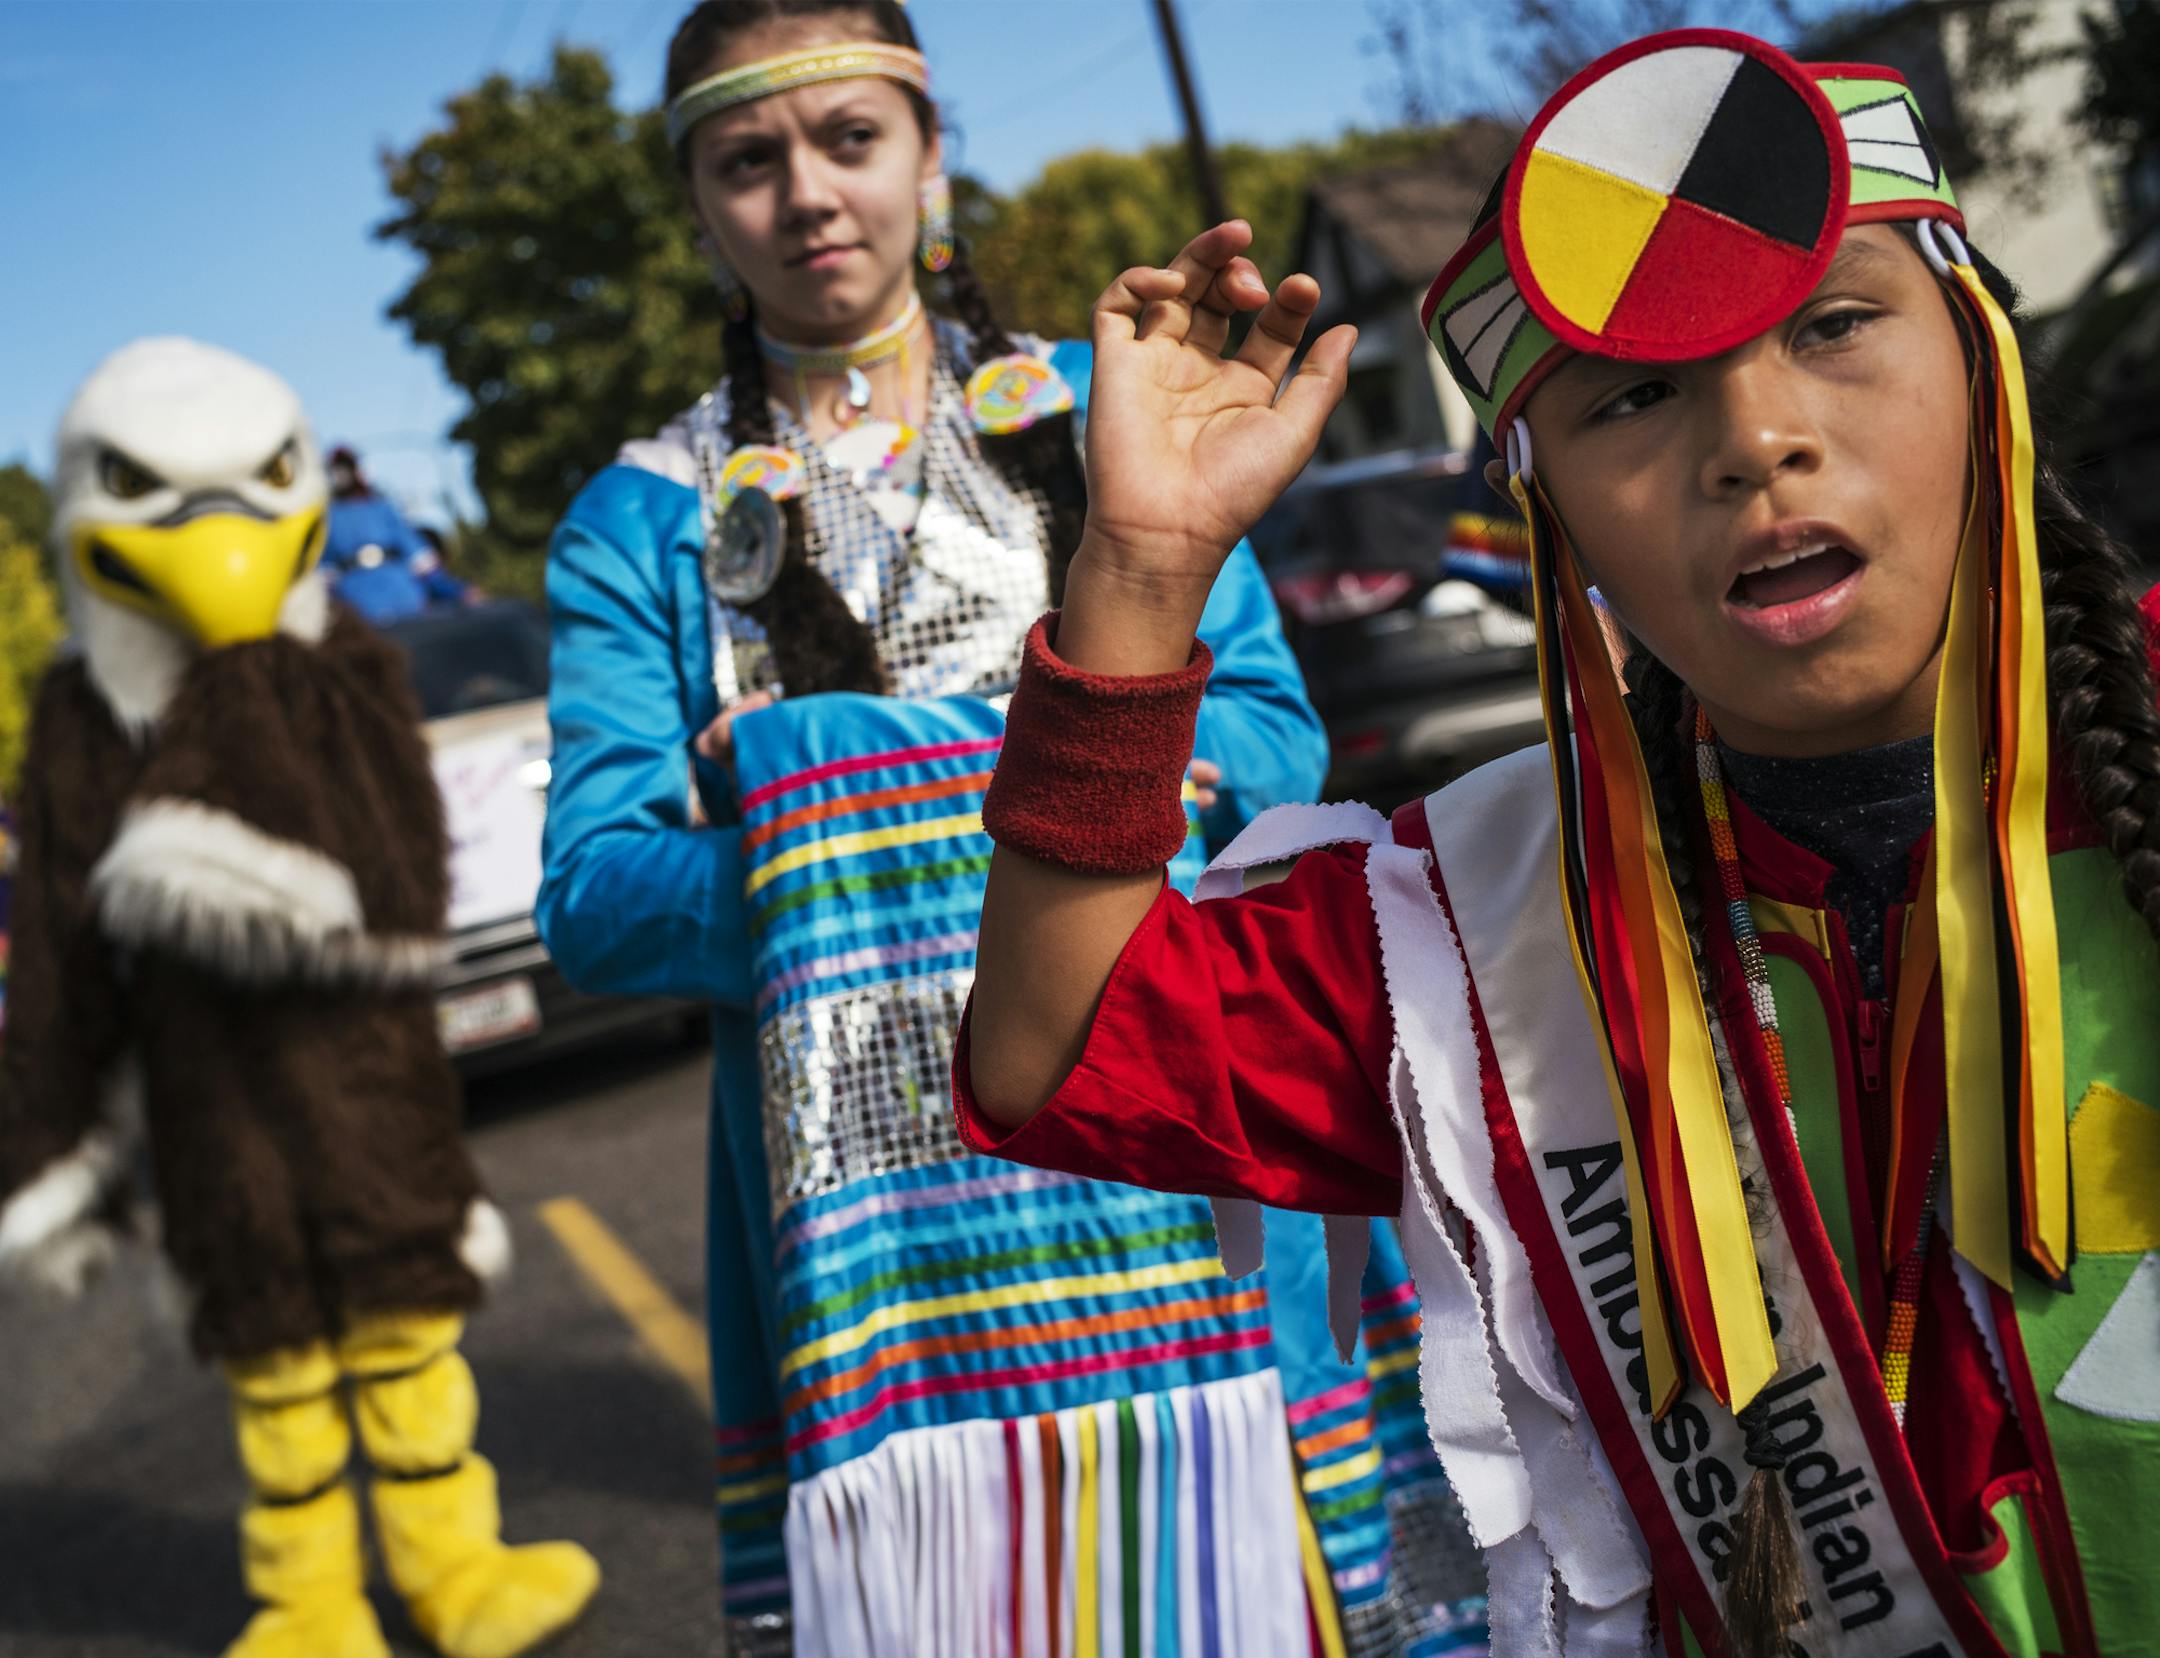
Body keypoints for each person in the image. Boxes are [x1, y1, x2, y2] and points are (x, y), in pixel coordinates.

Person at [963, 28, 2160, 1658]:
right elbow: (1057, 1046)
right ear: (1554, 512)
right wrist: (1139, 565)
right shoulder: (1477, 930)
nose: (1755, 436)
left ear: (1979, 353)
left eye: (1834, 324)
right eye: (1636, 400)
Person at [536, 3, 1487, 1651]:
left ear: (930, 152)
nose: (809, 195)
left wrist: (828, 797)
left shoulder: (1092, 426)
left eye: (849, 139)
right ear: (698, 202)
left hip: (1180, 1150)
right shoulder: (641, 518)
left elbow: (1268, 736)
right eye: (748, 161)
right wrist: (1043, 801)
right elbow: (598, 890)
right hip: (869, 1233)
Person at [0, 339, 598, 1658]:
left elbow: (392, 895)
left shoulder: (351, 670)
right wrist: (51, 1140)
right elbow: (53, 936)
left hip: (372, 1097)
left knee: (409, 1345)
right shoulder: (78, 714)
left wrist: (240, 677)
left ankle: (454, 1570)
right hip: (209, 1119)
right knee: (273, 1372)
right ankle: (310, 1605)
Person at [323, 444, 469, 624]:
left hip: (400, 603)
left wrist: (457, 591)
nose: (342, 476)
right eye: (337, 470)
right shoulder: (329, 520)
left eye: (345, 468)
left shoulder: (381, 509)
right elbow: (324, 577)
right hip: (361, 612)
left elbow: (421, 562)